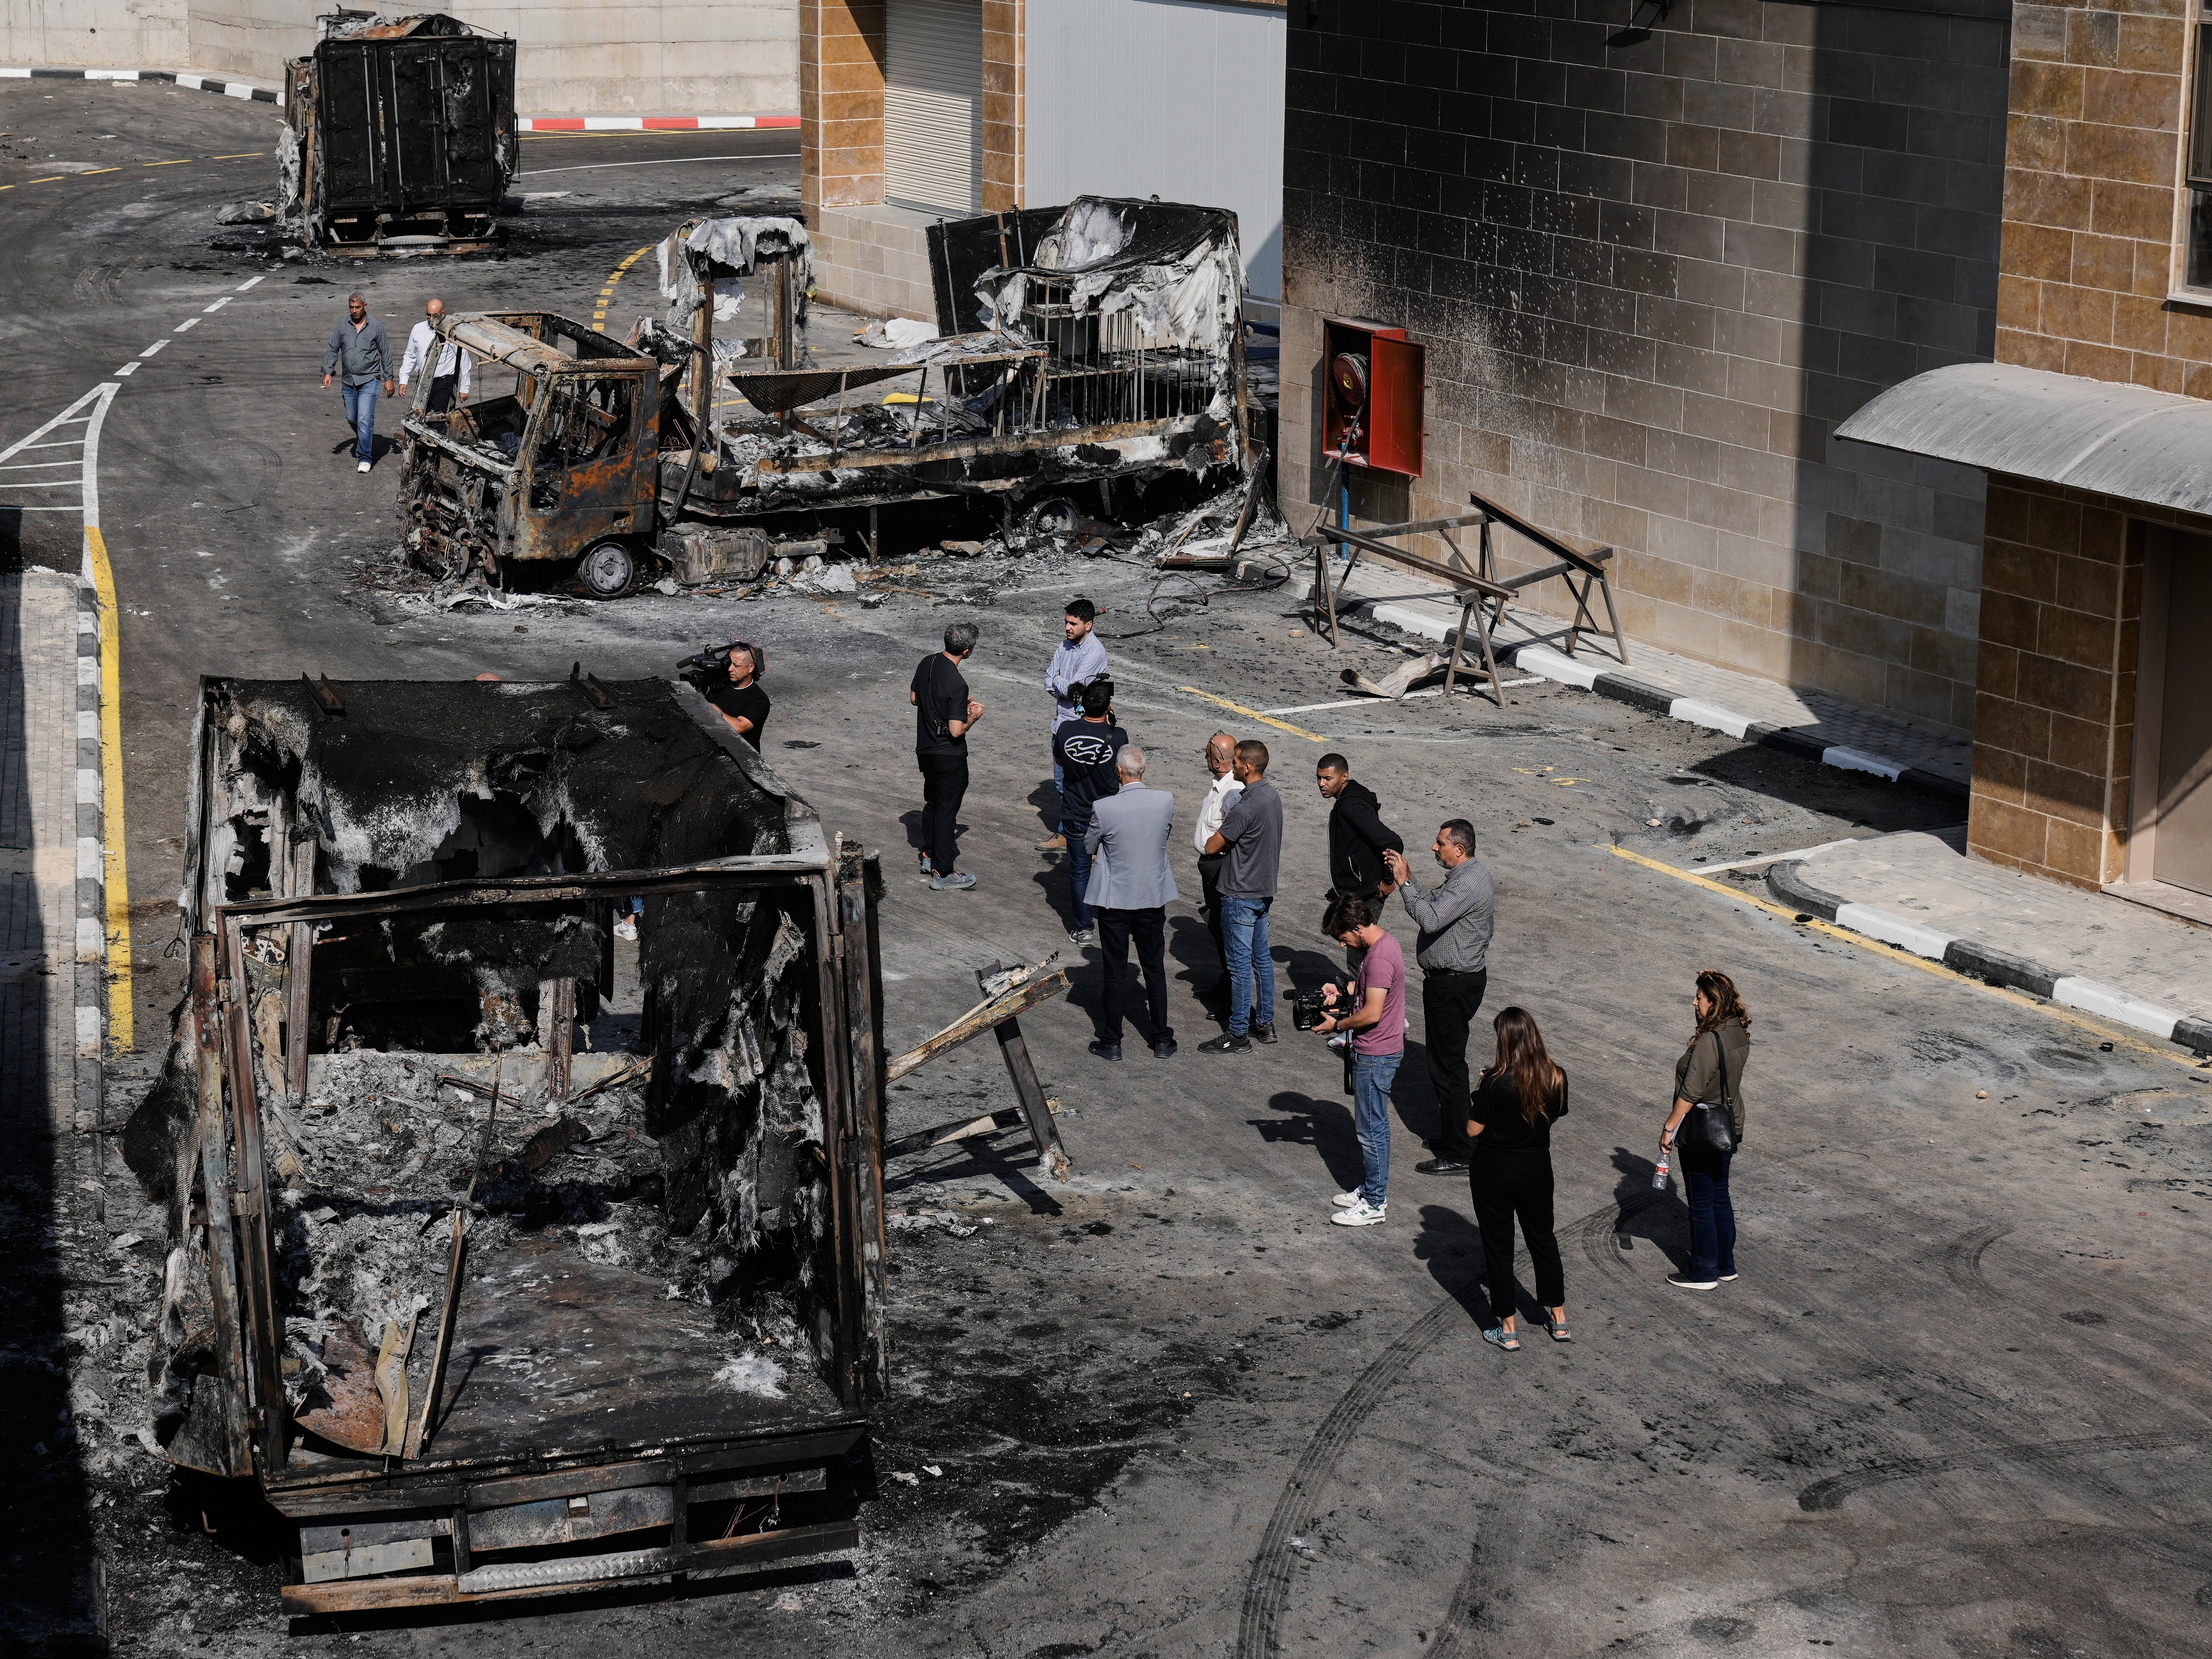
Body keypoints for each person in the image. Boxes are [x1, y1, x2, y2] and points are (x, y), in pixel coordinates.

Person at [1383, 821, 1497, 1177]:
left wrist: (1403, 883)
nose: (1434, 848)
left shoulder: (1468, 882)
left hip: (1452, 985)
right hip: (1452, 982)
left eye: (1440, 843)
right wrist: (1412, 880)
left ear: (1459, 849)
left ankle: (1460, 1152)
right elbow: (1434, 902)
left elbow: (1430, 918)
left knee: (1447, 1068)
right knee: (1448, 1064)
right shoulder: (1467, 875)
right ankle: (1456, 1134)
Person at [1466, 1006, 1570, 1351]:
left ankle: (1507, 1329)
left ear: (1505, 1040)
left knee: (1499, 1247)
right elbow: (1552, 1116)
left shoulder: (1495, 1082)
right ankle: (1558, 1319)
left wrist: (1481, 1091)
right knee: (1542, 1239)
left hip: (1493, 1170)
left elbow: (1472, 1129)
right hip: (1536, 1168)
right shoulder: (1556, 1076)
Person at [1082, 746, 1178, 1062]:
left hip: (1116, 902)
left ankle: (1112, 1042)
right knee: (1154, 969)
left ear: (1119, 771)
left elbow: (1089, 845)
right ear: (1144, 769)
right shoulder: (1164, 801)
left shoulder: (1104, 807)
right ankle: (1162, 1038)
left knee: (1114, 971)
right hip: (1152, 898)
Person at [1315, 894, 1406, 1227]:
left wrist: (1336, 1025)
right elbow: (1370, 990)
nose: (1342, 945)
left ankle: (1375, 1203)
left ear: (1357, 927)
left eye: (1343, 938)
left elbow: (1372, 1012)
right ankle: (1370, 1188)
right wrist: (1344, 991)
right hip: (1378, 1050)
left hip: (1376, 1054)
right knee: (1372, 1126)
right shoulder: (1381, 946)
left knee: (1372, 1130)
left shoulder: (1379, 957)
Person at [1660, 969, 1752, 1291]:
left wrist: (1669, 1129)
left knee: (1701, 1202)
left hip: (1703, 1128)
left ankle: (1703, 1271)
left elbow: (1691, 1092)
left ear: (1714, 1002)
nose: (1694, 1003)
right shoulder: (1736, 1028)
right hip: (1729, 1123)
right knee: (1719, 1196)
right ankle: (1725, 1265)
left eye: (1699, 998)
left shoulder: (1710, 1042)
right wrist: (1713, 978)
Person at [1199, 739, 1282, 1053]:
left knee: (1239, 967)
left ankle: (1237, 1034)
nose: (1231, 766)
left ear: (1247, 767)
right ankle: (1265, 1022)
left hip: (1239, 895)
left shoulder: (1244, 807)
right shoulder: (1272, 796)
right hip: (1262, 891)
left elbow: (1211, 846)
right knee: (1262, 961)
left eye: (1234, 762)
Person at [1051, 681, 1127, 943]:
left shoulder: (1065, 729)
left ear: (1081, 703)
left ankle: (1084, 929)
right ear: (1109, 706)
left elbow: (1061, 761)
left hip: (1075, 812)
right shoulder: (1119, 736)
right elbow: (1122, 768)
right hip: (1109, 814)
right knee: (1114, 868)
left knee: (1080, 871)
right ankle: (1117, 922)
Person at [911, 622, 984, 891]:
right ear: (968, 651)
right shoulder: (958, 683)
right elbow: (956, 731)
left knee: (932, 802)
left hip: (925, 749)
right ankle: (944, 872)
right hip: (948, 755)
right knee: (946, 812)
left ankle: (929, 856)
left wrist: (950, 707)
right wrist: (971, 716)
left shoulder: (927, 663)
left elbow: (915, 698)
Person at [1038, 598, 1108, 850]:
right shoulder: (1064, 646)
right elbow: (1049, 681)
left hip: (1083, 728)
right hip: (1061, 726)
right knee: (1061, 784)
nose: (1068, 628)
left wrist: (1060, 682)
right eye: (1066, 622)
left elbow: (1076, 690)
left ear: (1088, 625)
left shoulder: (1095, 653)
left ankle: (1089, 835)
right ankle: (1067, 832)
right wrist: (1061, 683)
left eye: (1073, 623)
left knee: (1084, 785)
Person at [1191, 731, 1243, 998]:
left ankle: (1232, 992)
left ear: (1219, 761)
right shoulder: (1220, 785)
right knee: (1219, 929)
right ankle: (1227, 983)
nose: (1206, 759)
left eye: (1209, 755)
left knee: (1225, 931)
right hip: (1211, 865)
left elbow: (1233, 835)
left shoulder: (1232, 792)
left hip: (1220, 866)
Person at [322, 293, 395, 474]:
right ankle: (365, 438)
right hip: (349, 381)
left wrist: (389, 378)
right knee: (353, 418)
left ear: (365, 306)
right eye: (351, 308)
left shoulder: (376, 327)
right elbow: (333, 348)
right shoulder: (342, 326)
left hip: (369, 380)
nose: (354, 311)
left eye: (358, 308)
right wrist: (328, 372)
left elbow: (385, 353)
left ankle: (365, 457)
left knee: (364, 419)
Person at [1316, 754, 1404, 903]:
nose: (1321, 784)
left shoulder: (1351, 807)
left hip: (1366, 895)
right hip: (1355, 890)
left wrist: (1388, 881)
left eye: (1328, 779)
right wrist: (1341, 889)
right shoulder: (1350, 798)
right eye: (1319, 778)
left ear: (1344, 777)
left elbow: (1393, 842)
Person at [398, 297, 472, 414]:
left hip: (443, 382)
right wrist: (403, 380)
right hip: (423, 382)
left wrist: (464, 388)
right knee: (418, 417)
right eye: (429, 315)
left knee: (437, 420)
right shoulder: (418, 329)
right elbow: (410, 355)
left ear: (443, 314)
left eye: (435, 316)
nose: (431, 319)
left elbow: (464, 359)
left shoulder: (452, 332)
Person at [705, 642, 769, 748]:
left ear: (751, 668)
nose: (730, 669)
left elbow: (740, 727)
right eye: (730, 664)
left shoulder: (759, 699)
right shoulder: (719, 687)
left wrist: (719, 713)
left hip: (742, 758)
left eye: (737, 665)